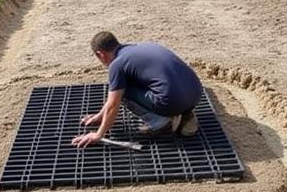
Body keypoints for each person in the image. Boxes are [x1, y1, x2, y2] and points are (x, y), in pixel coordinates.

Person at [72, 31, 203, 148]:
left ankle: (161, 122)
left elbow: (113, 104)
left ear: (100, 54)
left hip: (171, 100)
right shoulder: (140, 48)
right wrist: (100, 116)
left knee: (123, 90)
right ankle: (184, 113)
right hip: (195, 93)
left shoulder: (117, 64)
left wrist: (98, 134)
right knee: (129, 84)